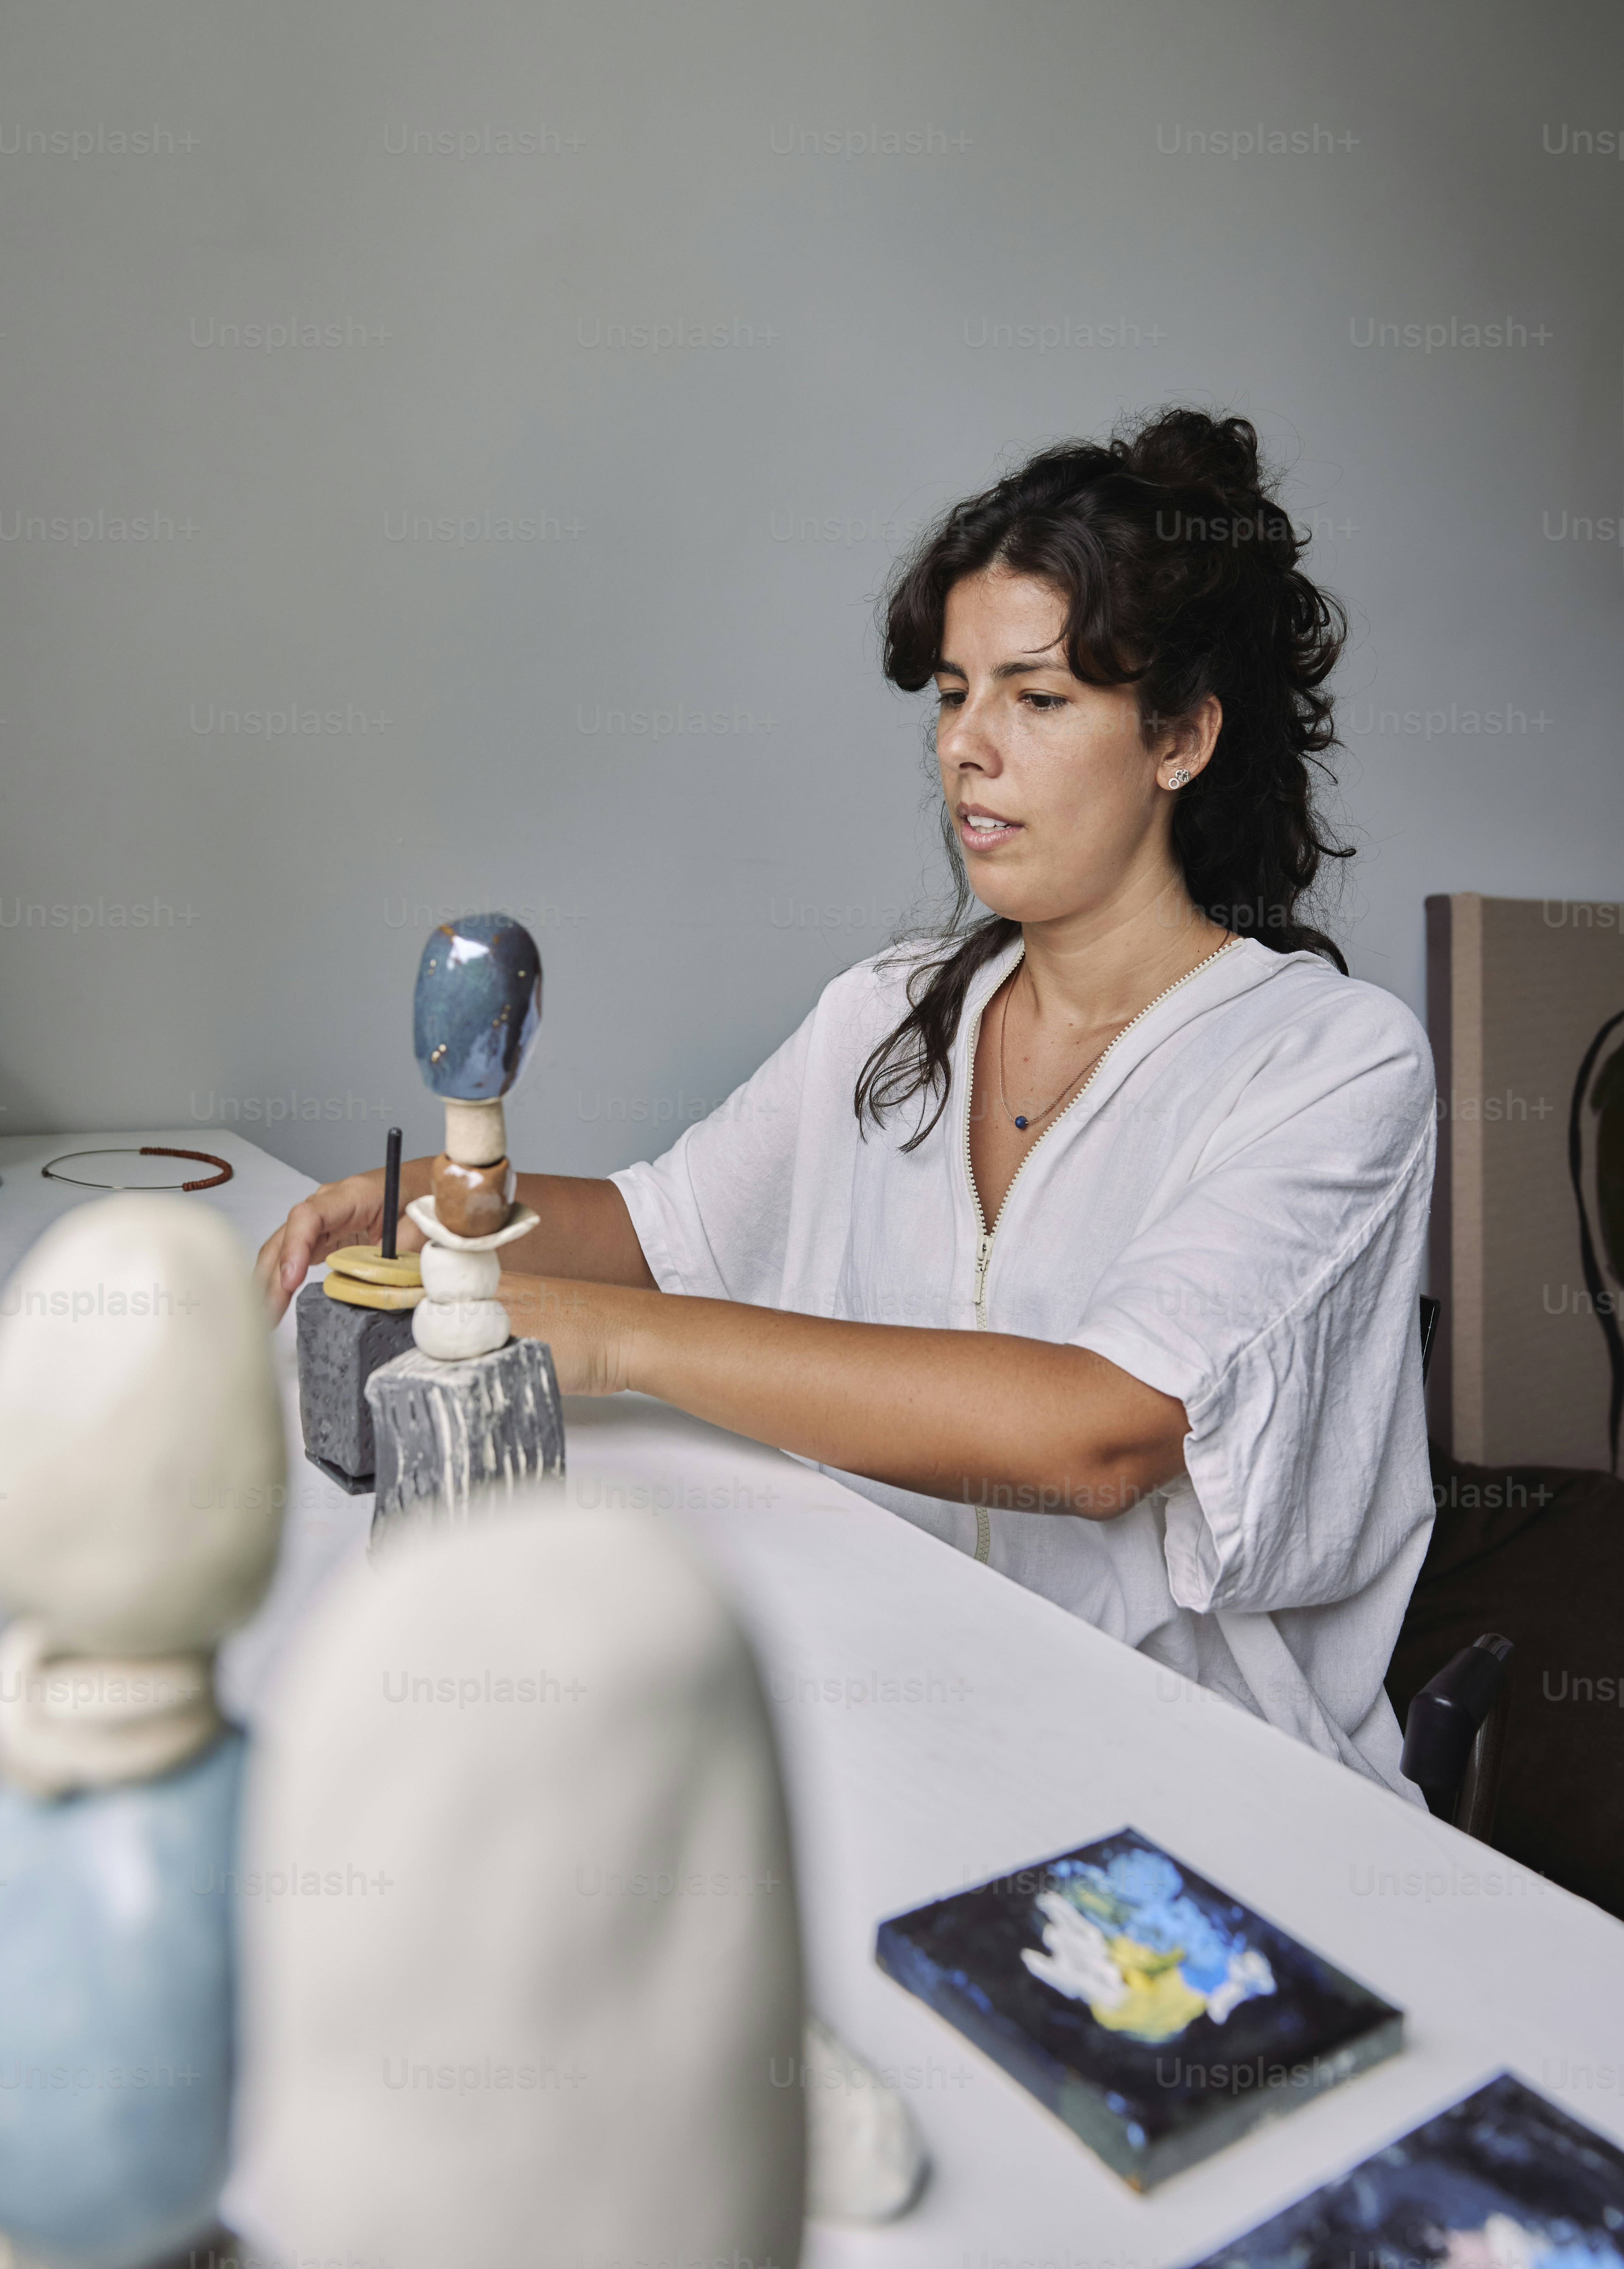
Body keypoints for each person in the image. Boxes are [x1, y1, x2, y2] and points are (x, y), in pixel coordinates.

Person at [258, 408, 1437, 1795]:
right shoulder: (889, 1013)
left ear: (1180, 738)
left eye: (1037, 699)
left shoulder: (1332, 1063)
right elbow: (661, 1231)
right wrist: (446, 1206)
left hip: (1194, 1783)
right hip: (903, 1708)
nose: (966, 747)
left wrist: (601, 1337)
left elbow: (1098, 1432)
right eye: (952, 693)